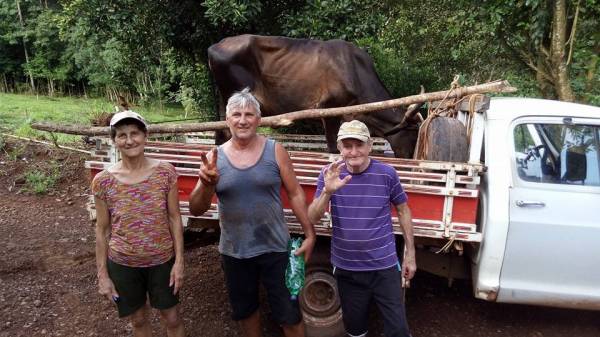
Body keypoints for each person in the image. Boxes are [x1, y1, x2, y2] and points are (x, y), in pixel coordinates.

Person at [188, 88, 316, 337]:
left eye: (249, 114)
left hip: (276, 249)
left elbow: (296, 193)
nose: (243, 120)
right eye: (236, 114)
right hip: (235, 251)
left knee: (289, 315)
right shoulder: (215, 158)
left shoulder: (275, 150)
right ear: (227, 120)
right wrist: (206, 183)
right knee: (246, 313)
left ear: (258, 120)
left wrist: (309, 234)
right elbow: (196, 208)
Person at [307, 120, 417, 337]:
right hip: (347, 269)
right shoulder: (330, 174)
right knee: (355, 330)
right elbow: (313, 217)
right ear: (339, 148)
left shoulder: (387, 174)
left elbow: (403, 210)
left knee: (398, 330)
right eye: (347, 146)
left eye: (359, 145)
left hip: (384, 267)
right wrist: (328, 192)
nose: (354, 151)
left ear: (369, 146)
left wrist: (410, 254)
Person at [92, 111, 185, 337]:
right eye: (122, 135)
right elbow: (102, 229)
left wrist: (179, 262)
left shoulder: (165, 172)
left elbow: (174, 217)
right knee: (138, 319)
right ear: (114, 140)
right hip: (123, 264)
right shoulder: (103, 181)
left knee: (171, 318)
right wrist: (102, 275)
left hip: (162, 260)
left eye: (135, 133)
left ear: (145, 136)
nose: (129, 140)